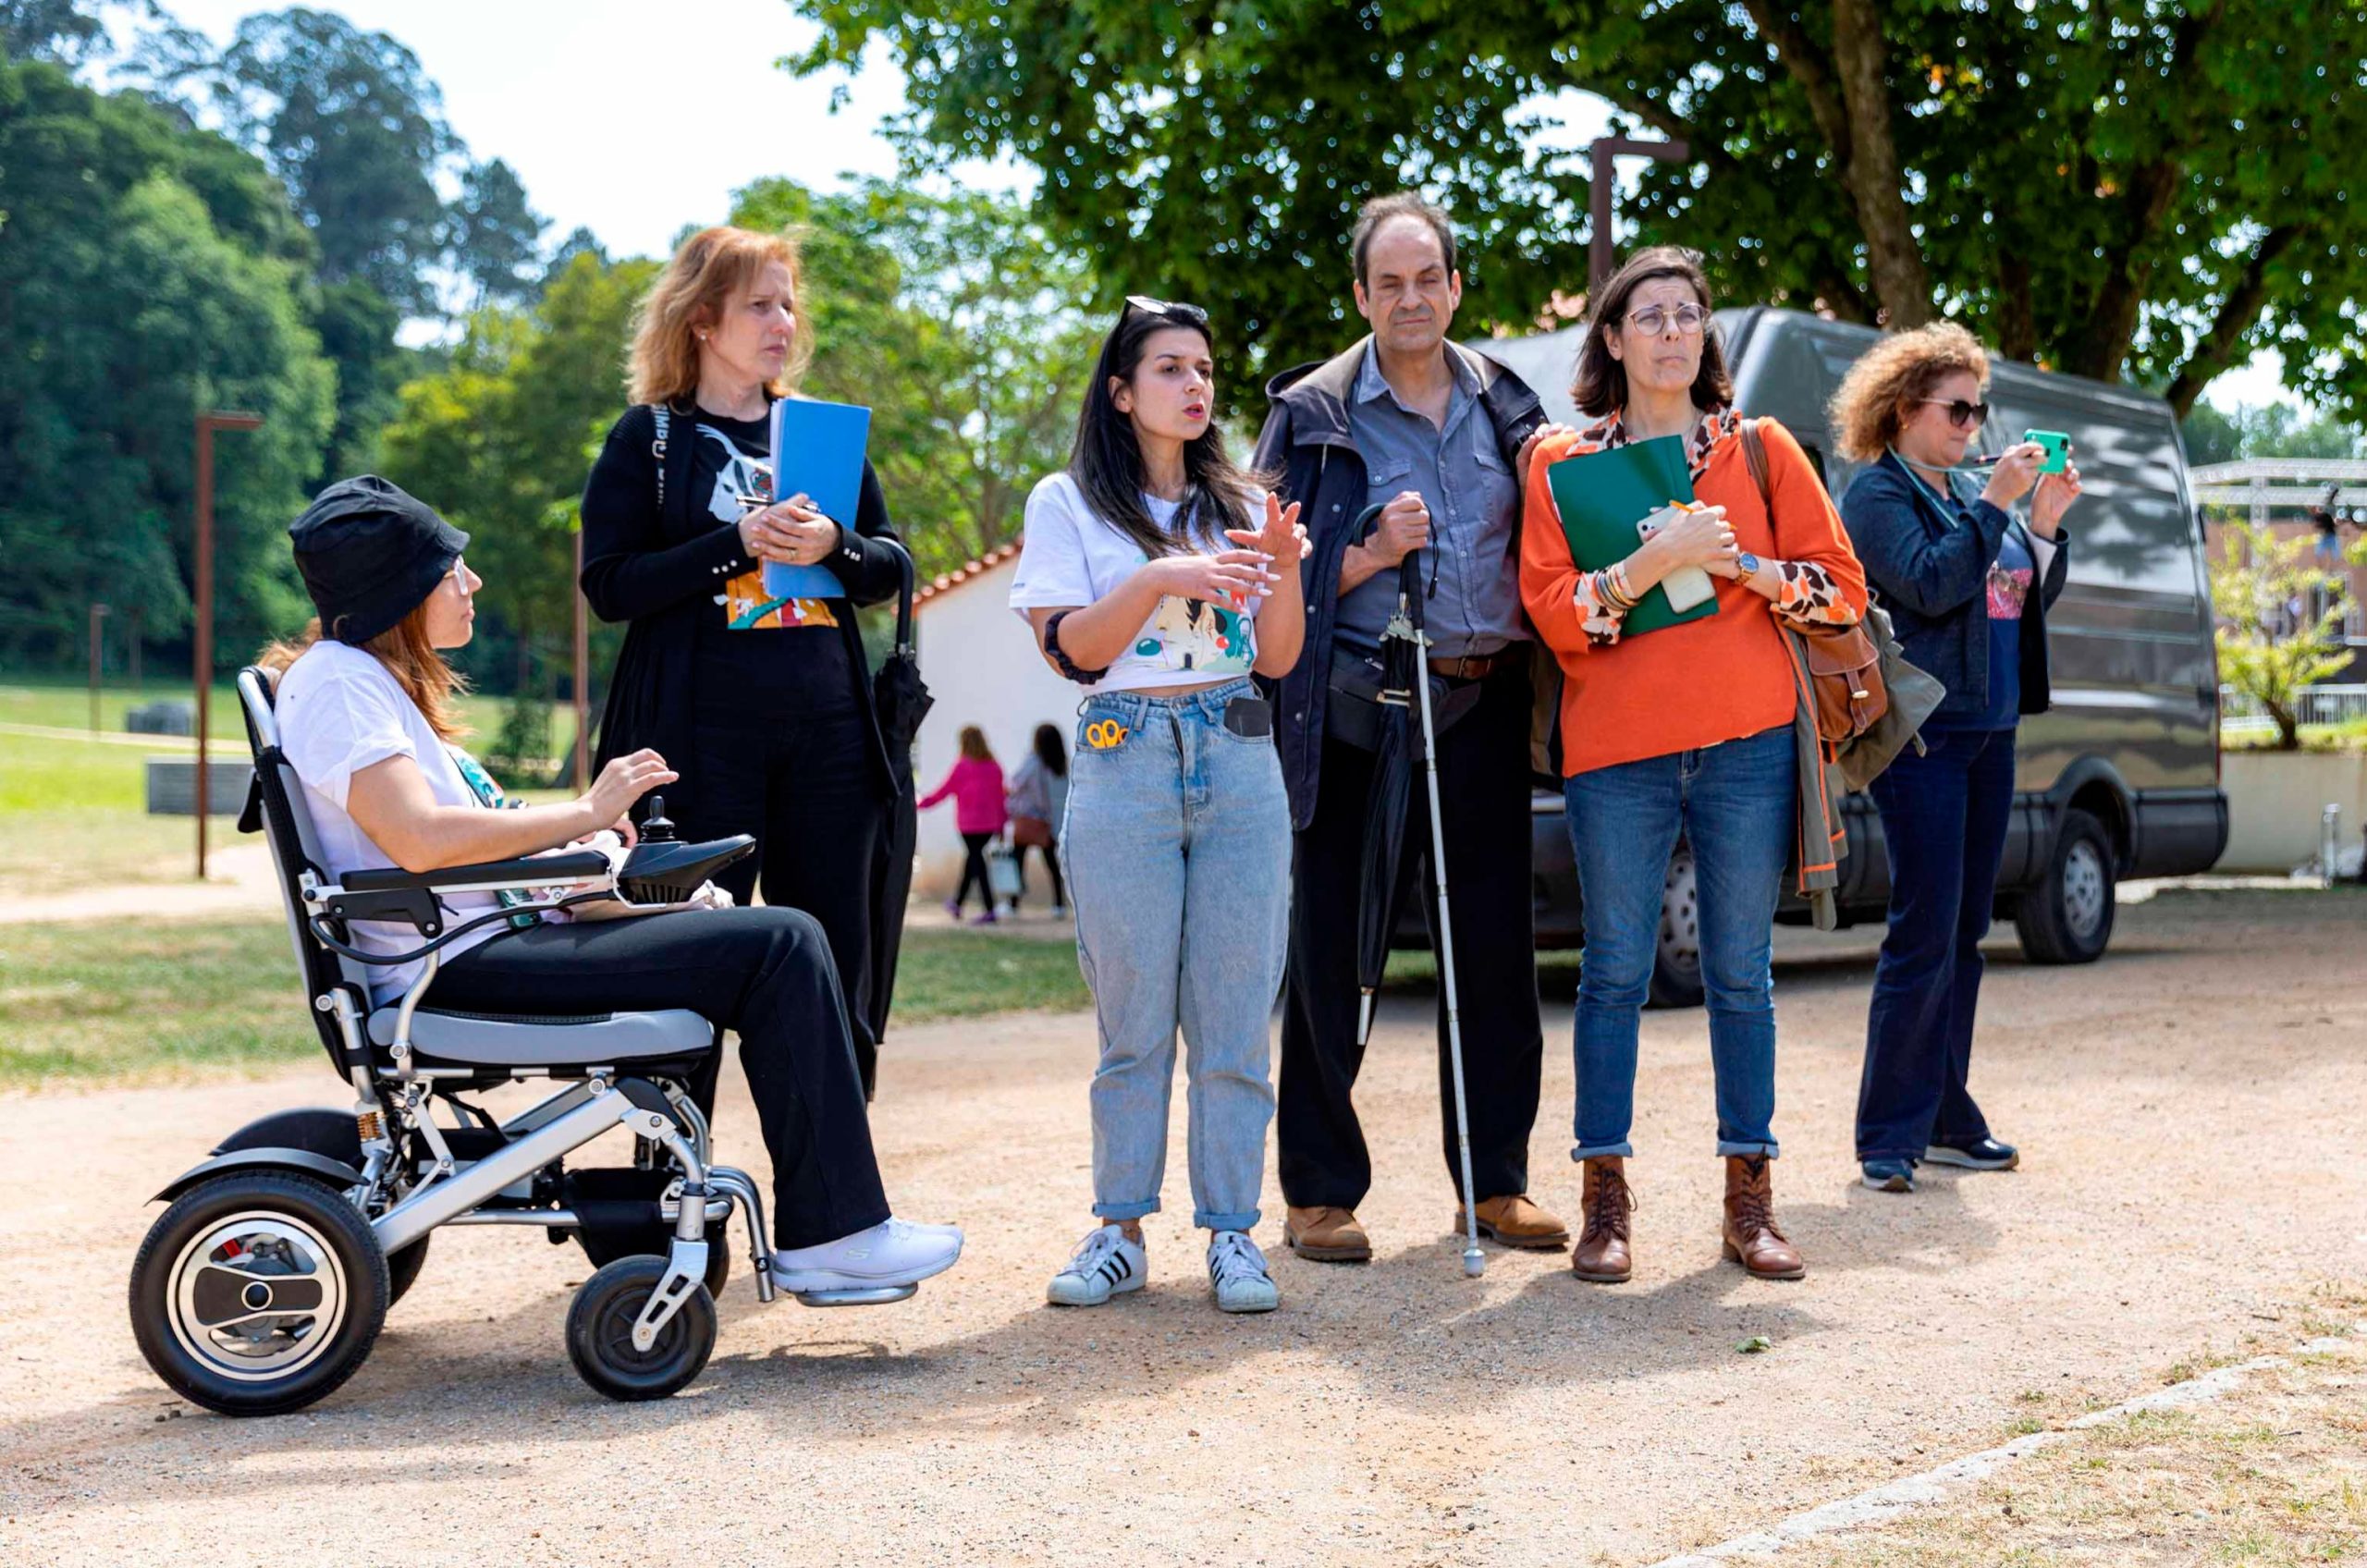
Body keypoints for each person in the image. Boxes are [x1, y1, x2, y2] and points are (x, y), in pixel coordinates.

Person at [264, 475, 962, 1292]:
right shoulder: (342, 684)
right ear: (399, 591)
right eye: (450, 567)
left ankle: (788, 1218)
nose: (470, 582)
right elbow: (420, 840)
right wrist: (581, 815)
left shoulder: (359, 681)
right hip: (455, 966)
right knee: (783, 942)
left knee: (757, 931)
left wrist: (592, 859)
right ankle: (833, 1233)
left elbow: (438, 844)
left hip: (472, 945)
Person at [1519, 247, 1869, 1283]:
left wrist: (1739, 565)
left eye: (1688, 314)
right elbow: (1554, 613)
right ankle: (1604, 1201)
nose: (1671, 330)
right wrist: (1646, 565)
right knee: (1613, 973)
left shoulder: (1758, 450)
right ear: (1614, 339)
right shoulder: (1560, 464)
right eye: (1649, 315)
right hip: (1614, 755)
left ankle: (1749, 1201)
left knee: (1740, 975)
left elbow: (1840, 589)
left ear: (1703, 337)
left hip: (1748, 745)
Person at [1251, 191, 1570, 1264]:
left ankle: (1495, 1183)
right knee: (1333, 945)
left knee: (1493, 952)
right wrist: (1370, 552)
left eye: (1425, 278)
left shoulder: (1508, 404)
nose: (1409, 299)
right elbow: (1262, 576)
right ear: (1360, 296)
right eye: (1387, 283)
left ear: (1454, 286)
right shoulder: (1311, 412)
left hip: (1483, 702)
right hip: (1358, 707)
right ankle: (1318, 1190)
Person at [1009, 294, 1306, 1313]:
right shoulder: (1066, 500)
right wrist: (1163, 575)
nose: (1194, 386)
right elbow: (1070, 649)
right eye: (1170, 368)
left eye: (1204, 369)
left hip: (1235, 747)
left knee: (1232, 1017)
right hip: (1121, 749)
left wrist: (1284, 568)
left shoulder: (1245, 498)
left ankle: (1232, 1234)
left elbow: (1274, 657)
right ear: (1122, 391)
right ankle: (1119, 1229)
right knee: (1131, 1021)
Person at [581, 225, 909, 1075]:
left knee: (834, 964)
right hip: (697, 744)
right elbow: (610, 585)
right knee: (684, 964)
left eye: (788, 304)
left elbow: (888, 567)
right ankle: (675, 1191)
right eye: (759, 304)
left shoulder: (823, 436)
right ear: (701, 318)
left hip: (830, 741)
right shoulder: (648, 438)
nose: (783, 322)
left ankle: (839, 1203)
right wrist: (737, 544)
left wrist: (834, 542)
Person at [1830, 322, 2080, 1194]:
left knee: (1967, 930)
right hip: (1926, 733)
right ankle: (1885, 1133)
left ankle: (1944, 1110)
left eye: (1980, 410)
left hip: (1991, 726)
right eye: (1959, 410)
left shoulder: (1977, 491)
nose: (1975, 426)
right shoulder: (1876, 497)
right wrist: (1998, 507)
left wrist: (2043, 529)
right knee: (1924, 926)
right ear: (1904, 412)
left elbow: (2013, 599)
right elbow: (1933, 583)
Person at [921, 726, 1008, 924]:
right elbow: (1001, 799)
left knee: (977, 862)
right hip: (989, 826)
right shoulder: (994, 767)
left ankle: (989, 908)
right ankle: (957, 903)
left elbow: (943, 791)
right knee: (974, 860)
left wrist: (920, 804)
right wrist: (1002, 825)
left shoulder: (962, 767)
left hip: (968, 826)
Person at [1006, 722, 1071, 913]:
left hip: (1028, 819)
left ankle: (1013, 904)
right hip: (1049, 822)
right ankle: (1058, 904)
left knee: (1018, 862)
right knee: (1052, 864)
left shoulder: (1032, 762)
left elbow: (1015, 783)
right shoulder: (1060, 765)